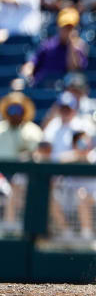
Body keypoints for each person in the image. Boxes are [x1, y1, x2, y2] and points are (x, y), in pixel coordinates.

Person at [0, 93, 43, 231]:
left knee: (16, 186)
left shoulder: (32, 130)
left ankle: (10, 229)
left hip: (23, 176)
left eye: (18, 109)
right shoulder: (0, 128)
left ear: (24, 110)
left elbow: (39, 155)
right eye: (11, 109)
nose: (14, 113)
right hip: (1, 175)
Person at [21, 8, 88, 88]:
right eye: (65, 27)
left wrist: (71, 45)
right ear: (59, 27)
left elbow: (73, 69)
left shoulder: (79, 48)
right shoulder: (48, 45)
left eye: (70, 28)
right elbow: (32, 63)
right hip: (42, 85)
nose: (67, 31)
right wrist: (25, 77)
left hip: (62, 91)